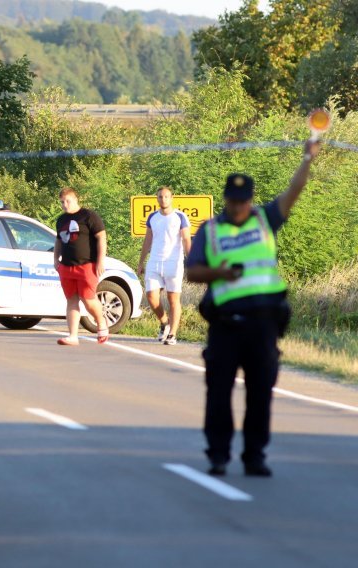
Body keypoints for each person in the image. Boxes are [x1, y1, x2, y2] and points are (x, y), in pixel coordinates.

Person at [186, 139, 322, 478]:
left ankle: (254, 456)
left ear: (250, 199)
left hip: (263, 322)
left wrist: (308, 157)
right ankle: (218, 455)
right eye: (232, 202)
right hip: (226, 324)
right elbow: (192, 271)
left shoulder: (265, 219)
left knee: (260, 393)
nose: (237, 208)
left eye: (242, 201)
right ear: (226, 200)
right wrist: (222, 273)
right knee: (219, 392)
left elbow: (295, 189)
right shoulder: (211, 230)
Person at [53, 187, 109, 345]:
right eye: (62, 202)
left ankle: (101, 322)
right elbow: (58, 240)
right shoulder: (61, 220)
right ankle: (72, 336)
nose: (65, 205)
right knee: (71, 300)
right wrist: (56, 259)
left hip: (87, 265)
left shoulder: (89, 216)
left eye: (67, 201)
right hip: (66, 266)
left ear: (76, 199)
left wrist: (100, 261)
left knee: (88, 299)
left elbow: (101, 238)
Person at [137, 186, 192, 346]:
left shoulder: (180, 217)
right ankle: (164, 322)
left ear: (172, 198)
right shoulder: (152, 217)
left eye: (166, 197)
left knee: (173, 298)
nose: (163, 199)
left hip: (173, 262)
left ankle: (172, 334)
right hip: (155, 261)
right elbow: (147, 240)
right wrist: (141, 262)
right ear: (157, 198)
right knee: (151, 297)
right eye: (160, 197)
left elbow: (186, 240)